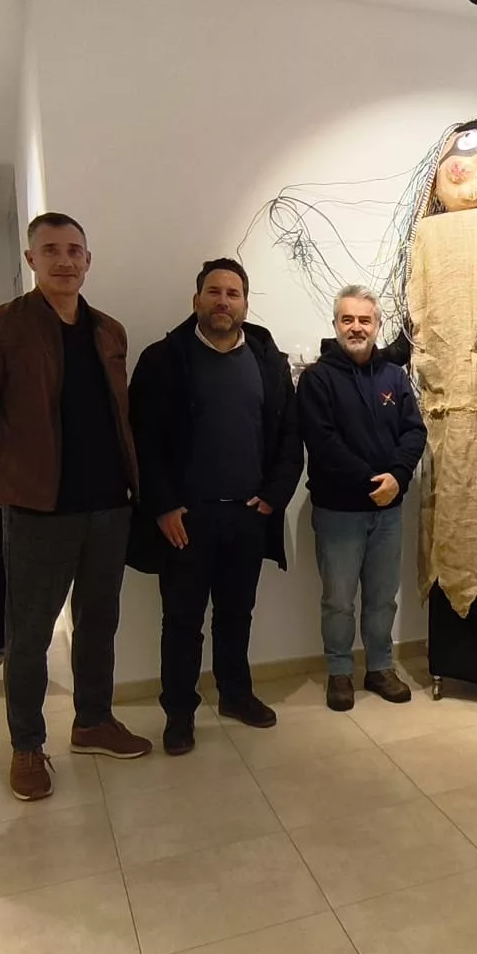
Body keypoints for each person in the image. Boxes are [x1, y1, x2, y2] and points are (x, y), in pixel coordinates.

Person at [0, 212, 152, 801]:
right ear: (31, 259)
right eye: (52, 250)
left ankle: (92, 721)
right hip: (40, 509)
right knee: (30, 634)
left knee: (99, 623)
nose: (65, 261)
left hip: (108, 506)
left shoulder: (109, 330)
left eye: (75, 250)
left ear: (88, 260)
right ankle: (26, 745)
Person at [127, 259, 302, 755]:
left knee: (236, 614)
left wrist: (273, 496)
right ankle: (179, 714)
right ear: (196, 300)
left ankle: (235, 694)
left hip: (248, 517)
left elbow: (290, 435)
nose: (223, 301)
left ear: (246, 303)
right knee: (181, 622)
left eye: (233, 293)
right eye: (213, 292)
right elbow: (143, 440)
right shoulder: (163, 359)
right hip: (186, 521)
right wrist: (162, 507)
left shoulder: (268, 360)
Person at [297, 284, 426, 712]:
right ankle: (339, 672)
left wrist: (399, 476)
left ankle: (380, 667)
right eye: (348, 320)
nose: (356, 327)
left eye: (364, 320)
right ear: (335, 325)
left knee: (382, 596)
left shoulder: (394, 377)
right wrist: (376, 480)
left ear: (377, 325)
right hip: (338, 512)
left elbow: (414, 431)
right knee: (337, 600)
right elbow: (323, 443)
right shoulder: (317, 379)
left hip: (388, 511)